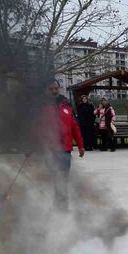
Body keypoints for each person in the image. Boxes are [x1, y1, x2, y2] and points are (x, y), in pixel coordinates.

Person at [41, 79, 85, 210]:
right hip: (50, 148)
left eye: (56, 88)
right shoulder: (42, 106)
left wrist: (81, 145)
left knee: (64, 177)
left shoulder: (67, 105)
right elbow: (37, 128)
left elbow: (75, 127)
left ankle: (62, 205)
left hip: (65, 149)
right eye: (51, 89)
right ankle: (57, 202)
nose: (54, 91)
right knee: (55, 177)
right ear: (46, 90)